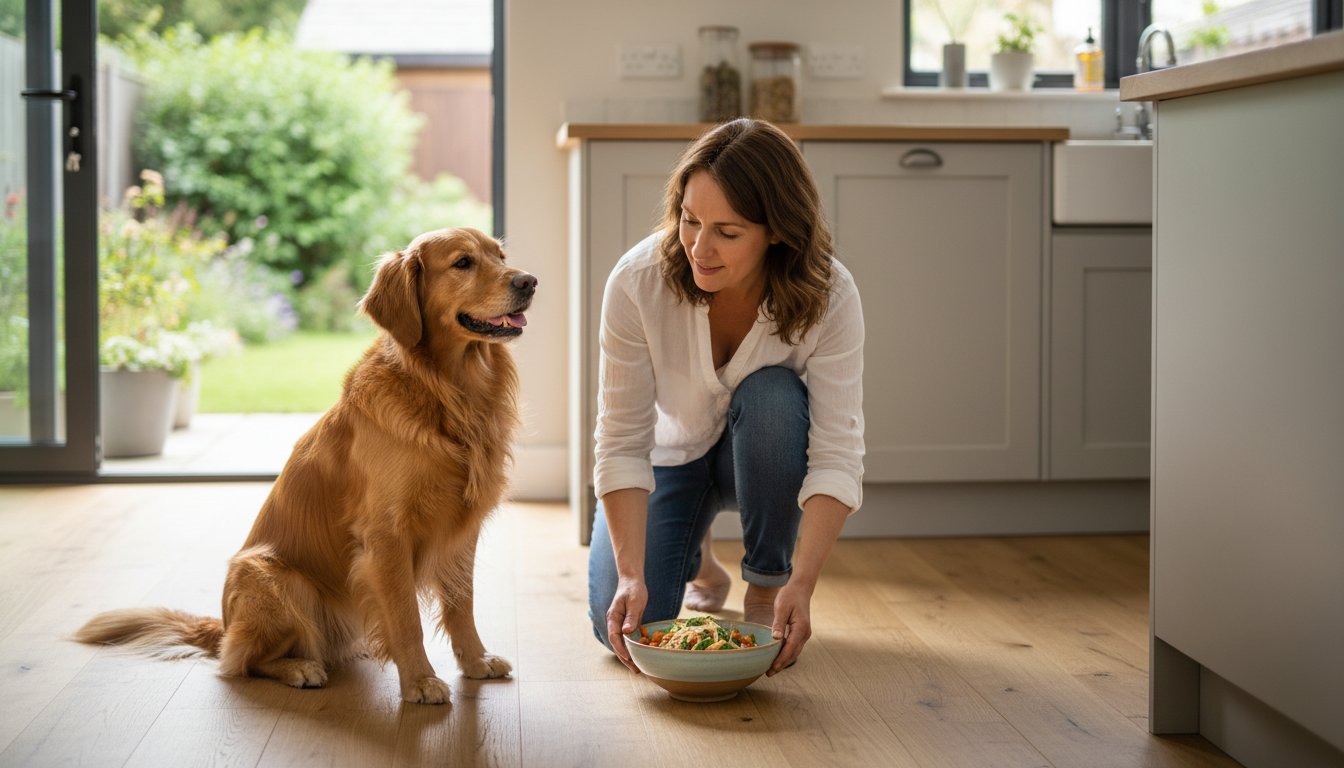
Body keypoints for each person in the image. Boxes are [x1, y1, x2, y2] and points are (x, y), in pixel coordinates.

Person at [586, 118, 865, 677]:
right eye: (690, 220)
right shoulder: (637, 282)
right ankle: (700, 560)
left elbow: (837, 454)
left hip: (764, 460)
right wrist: (631, 576)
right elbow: (621, 441)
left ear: (777, 232)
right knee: (623, 629)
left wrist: (800, 585)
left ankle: (764, 586)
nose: (699, 247)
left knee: (773, 395)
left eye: (727, 232)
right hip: (669, 461)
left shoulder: (830, 294)